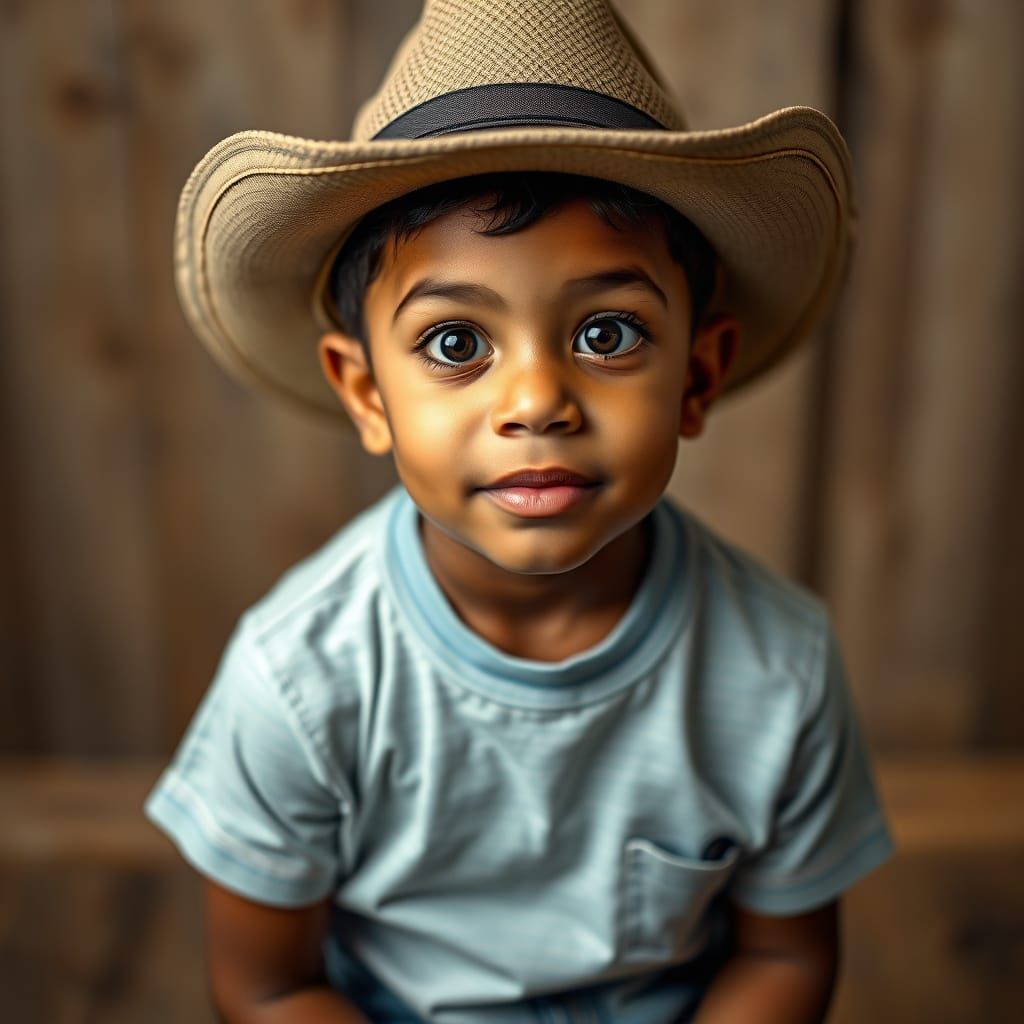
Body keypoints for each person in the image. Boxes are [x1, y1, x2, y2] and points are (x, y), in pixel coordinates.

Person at [144, 1, 895, 1021]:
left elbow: (784, 960)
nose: (537, 401)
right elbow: (269, 986)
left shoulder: (778, 668)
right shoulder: (300, 680)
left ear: (697, 375)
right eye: (456, 343)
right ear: (366, 393)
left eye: (607, 333)